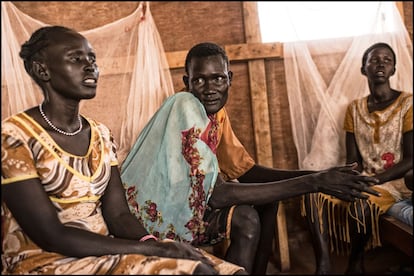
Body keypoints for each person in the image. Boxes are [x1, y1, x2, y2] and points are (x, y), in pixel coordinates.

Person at [1, 26, 247, 275]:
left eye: (92, 59)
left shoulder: (101, 135)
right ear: (42, 70)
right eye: (76, 59)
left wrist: (154, 243)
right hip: (46, 261)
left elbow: (118, 214)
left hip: (106, 251)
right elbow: (51, 235)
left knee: (231, 272)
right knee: (197, 272)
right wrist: (155, 251)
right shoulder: (15, 136)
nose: (90, 67)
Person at [120, 42, 381, 275]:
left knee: (260, 208)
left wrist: (318, 176)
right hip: (147, 222)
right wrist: (316, 182)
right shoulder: (186, 106)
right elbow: (218, 195)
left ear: (229, 78)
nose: (210, 89)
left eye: (218, 79)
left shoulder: (215, 116)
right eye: (200, 80)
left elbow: (245, 171)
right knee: (250, 213)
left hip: (184, 206)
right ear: (187, 81)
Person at [303, 42, 413, 274]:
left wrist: (377, 179)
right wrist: (344, 177)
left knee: (361, 204)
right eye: (374, 59)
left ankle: (355, 262)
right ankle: (323, 264)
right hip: (366, 176)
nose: (380, 63)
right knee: (313, 194)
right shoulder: (354, 109)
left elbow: (411, 159)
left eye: (387, 60)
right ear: (364, 69)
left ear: (393, 69)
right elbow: (355, 160)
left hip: (396, 182)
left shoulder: (408, 104)